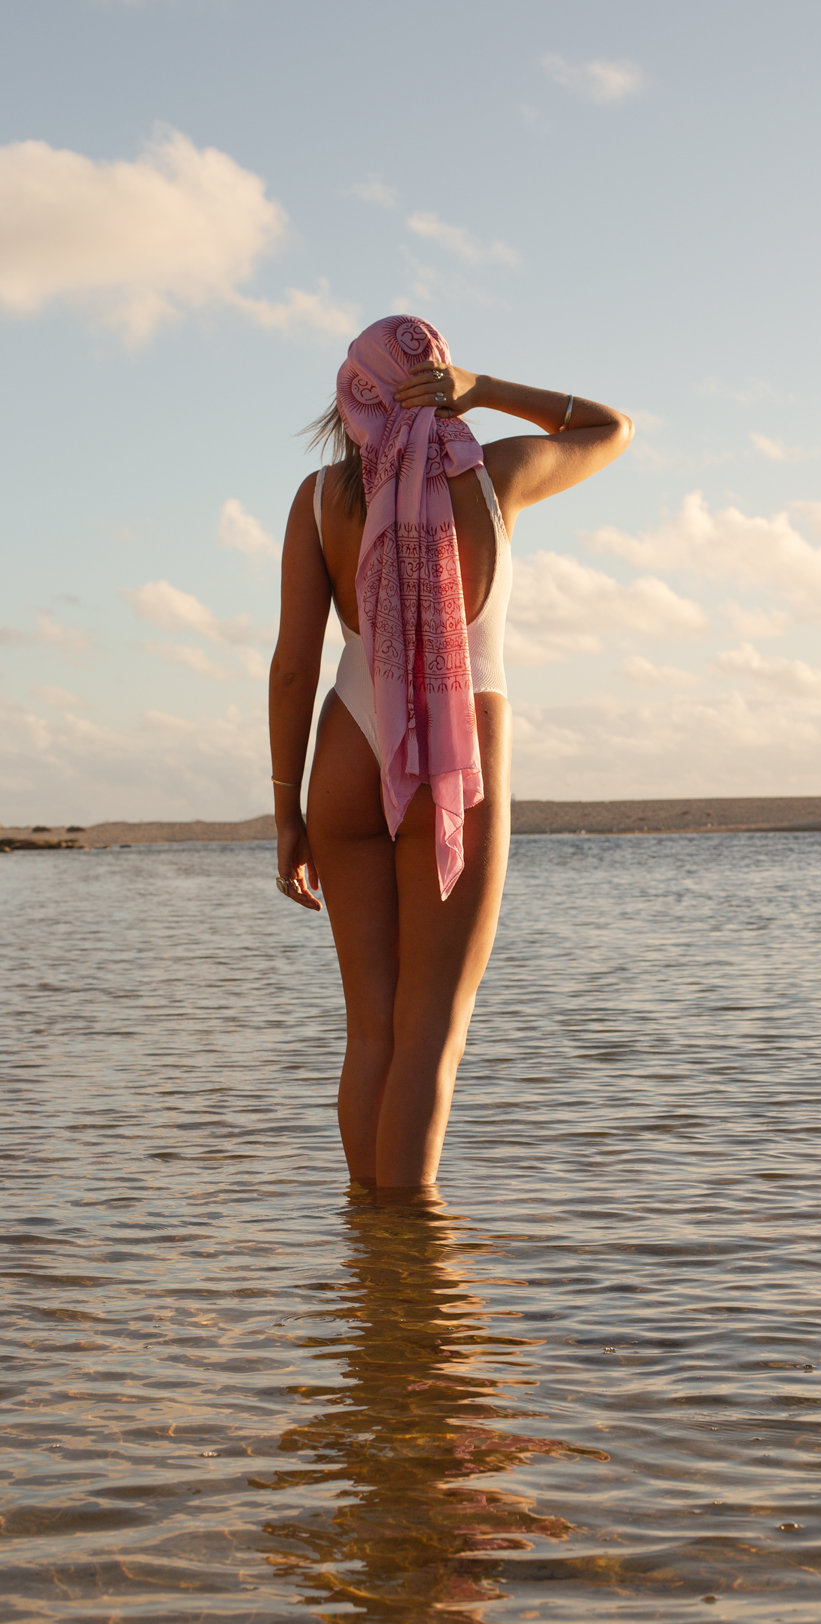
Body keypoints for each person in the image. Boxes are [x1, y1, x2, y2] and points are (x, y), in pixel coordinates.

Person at [268, 315, 633, 1192]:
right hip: (460, 747)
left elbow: (292, 668)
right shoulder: (497, 476)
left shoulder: (321, 498)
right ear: (442, 385)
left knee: (372, 1031)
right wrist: (491, 388)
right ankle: (413, 1257)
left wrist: (287, 813)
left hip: (348, 751)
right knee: (431, 1024)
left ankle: (373, 1254)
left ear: (354, 395)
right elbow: (610, 429)